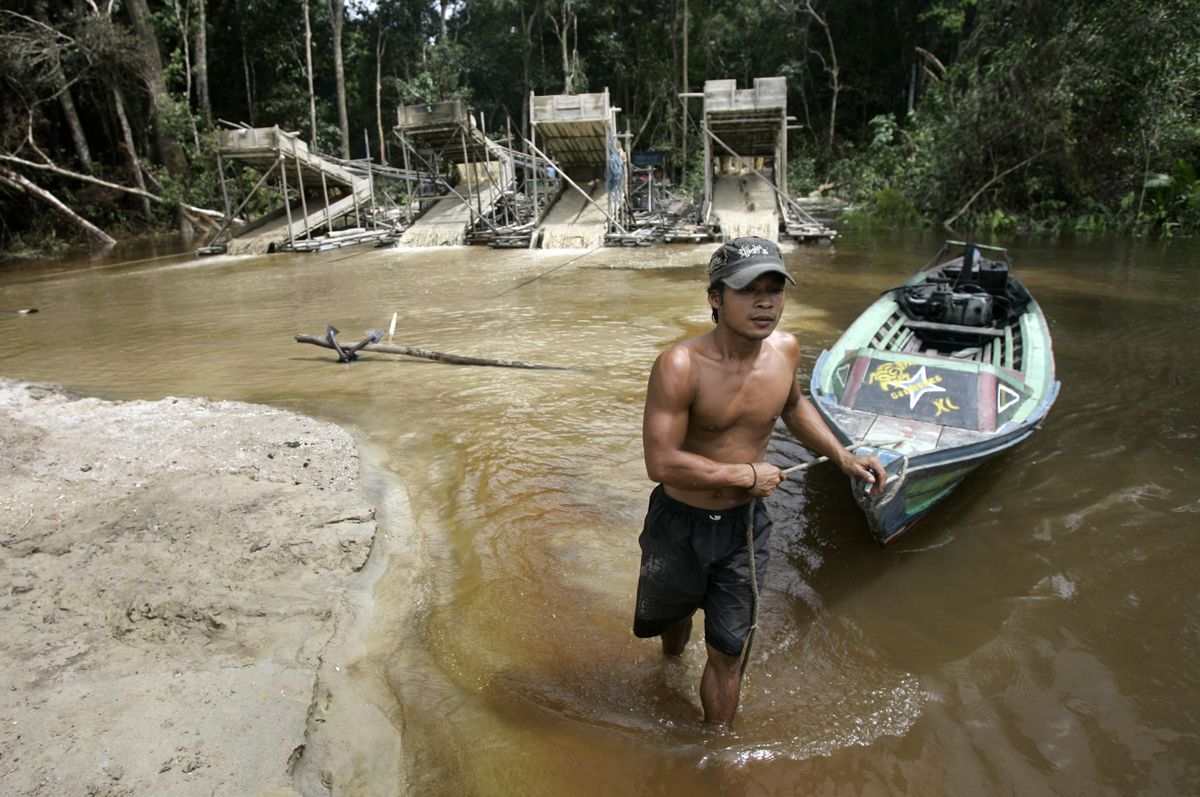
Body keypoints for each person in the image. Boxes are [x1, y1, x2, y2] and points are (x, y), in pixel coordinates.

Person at [634, 236, 886, 726]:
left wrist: (841, 455)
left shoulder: (785, 351)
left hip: (744, 527)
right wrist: (744, 473)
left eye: (775, 289)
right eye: (749, 290)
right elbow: (660, 462)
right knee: (673, 621)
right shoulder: (679, 365)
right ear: (715, 297)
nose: (766, 302)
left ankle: (715, 749)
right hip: (679, 523)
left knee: (729, 649)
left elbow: (792, 407)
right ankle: (669, 661)